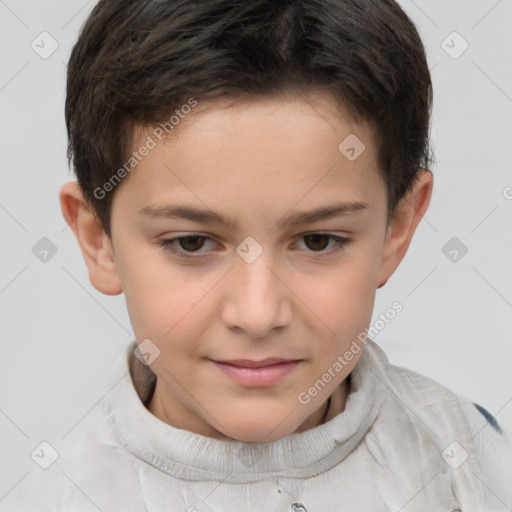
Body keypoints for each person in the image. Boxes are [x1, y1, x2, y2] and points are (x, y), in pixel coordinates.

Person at [14, 0, 512, 510]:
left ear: (395, 229)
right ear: (99, 241)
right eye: (191, 242)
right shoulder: (61, 495)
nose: (257, 315)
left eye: (319, 241)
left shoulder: (470, 459)